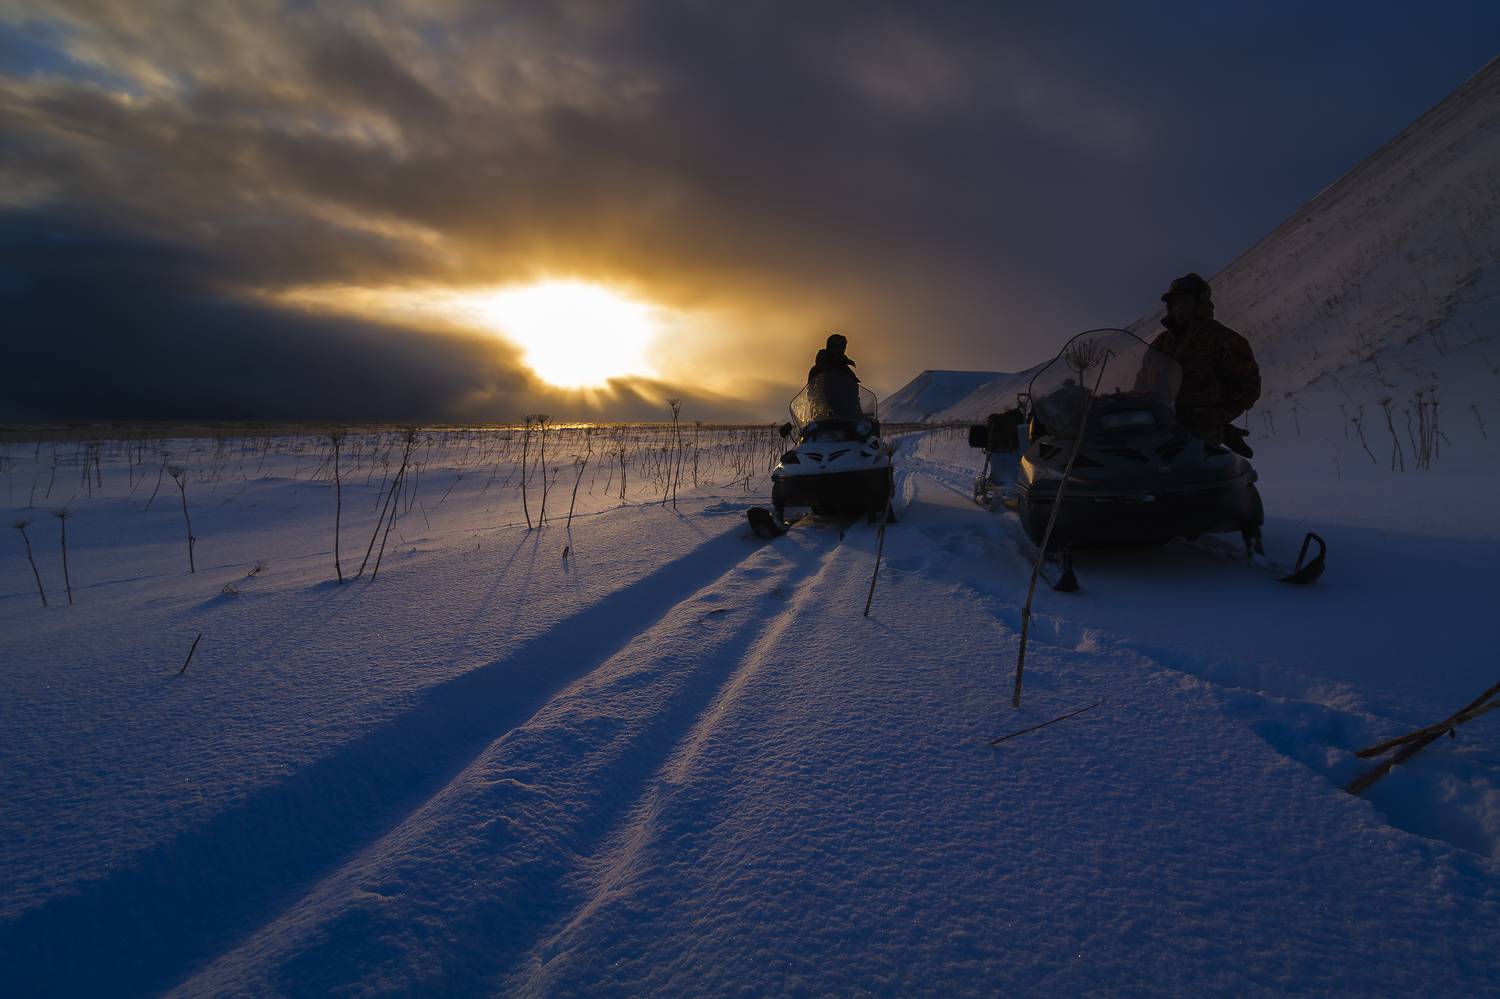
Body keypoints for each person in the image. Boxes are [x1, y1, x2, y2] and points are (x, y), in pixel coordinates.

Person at [1150, 273, 1261, 450]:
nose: (1179, 308)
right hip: (1156, 429)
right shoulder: (1161, 343)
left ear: (1199, 303)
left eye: (1185, 301)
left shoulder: (1225, 340)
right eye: (1175, 302)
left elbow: (1248, 388)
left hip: (1199, 437)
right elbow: (1142, 381)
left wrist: (1215, 419)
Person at [806, 332, 862, 419]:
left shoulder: (847, 371)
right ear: (830, 347)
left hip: (848, 418)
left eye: (843, 346)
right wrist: (820, 411)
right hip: (824, 418)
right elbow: (813, 395)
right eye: (836, 346)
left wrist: (858, 414)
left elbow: (854, 396)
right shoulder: (819, 369)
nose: (840, 349)